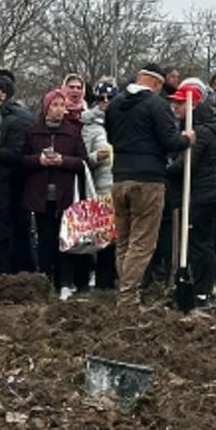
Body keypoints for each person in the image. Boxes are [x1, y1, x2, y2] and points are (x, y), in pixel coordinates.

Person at [105, 60, 189, 304]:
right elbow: (170, 142)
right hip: (148, 178)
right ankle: (128, 296)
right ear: (156, 82)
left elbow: (111, 137)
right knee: (142, 242)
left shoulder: (115, 104)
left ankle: (127, 290)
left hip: (119, 177)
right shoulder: (156, 104)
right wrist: (187, 138)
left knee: (124, 240)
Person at [22, 88, 90, 298]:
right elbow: (22, 159)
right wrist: (38, 161)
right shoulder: (33, 131)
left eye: (62, 105)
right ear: (47, 107)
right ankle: (44, 280)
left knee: (65, 241)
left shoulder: (73, 132)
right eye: (55, 105)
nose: (59, 109)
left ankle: (65, 282)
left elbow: (82, 161)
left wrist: (63, 161)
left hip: (66, 195)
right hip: (40, 195)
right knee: (44, 239)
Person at [164, 80, 216, 309]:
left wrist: (163, 170)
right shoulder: (195, 128)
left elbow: (184, 165)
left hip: (203, 194)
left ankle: (203, 291)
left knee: (200, 244)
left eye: (180, 103)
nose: (175, 108)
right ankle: (200, 287)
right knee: (199, 243)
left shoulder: (201, 132)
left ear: (192, 105)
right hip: (201, 192)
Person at [0, 70, 34, 276]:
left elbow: (16, 152)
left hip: (9, 184)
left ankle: (3, 276)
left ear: (4, 93)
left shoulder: (16, 118)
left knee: (4, 231)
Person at [80, 80, 118, 290]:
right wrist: (96, 156)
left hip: (120, 182)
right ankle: (101, 278)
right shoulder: (89, 127)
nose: (105, 103)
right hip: (100, 187)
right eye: (101, 99)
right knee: (102, 236)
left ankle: (116, 277)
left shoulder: (122, 121)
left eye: (110, 99)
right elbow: (83, 158)